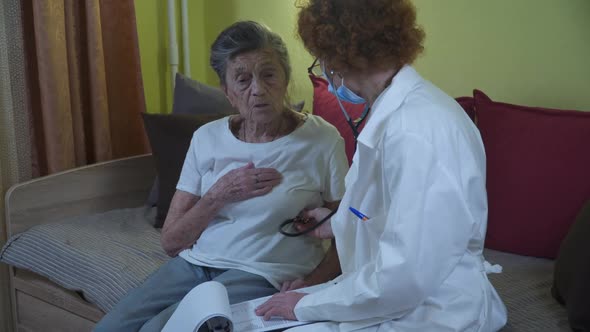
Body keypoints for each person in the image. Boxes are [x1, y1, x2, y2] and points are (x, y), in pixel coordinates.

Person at [254, 1, 508, 331]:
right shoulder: (399, 111)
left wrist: (308, 304)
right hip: (394, 297)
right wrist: (336, 220)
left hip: (431, 313)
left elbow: (406, 273)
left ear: (340, 55)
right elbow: (388, 211)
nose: (325, 72)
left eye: (321, 60)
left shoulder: (416, 130)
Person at [94, 21, 348, 332]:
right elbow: (171, 242)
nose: (257, 89)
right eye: (242, 79)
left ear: (285, 79)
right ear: (227, 92)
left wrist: (313, 282)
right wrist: (219, 194)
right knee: (109, 328)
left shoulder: (322, 140)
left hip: (263, 272)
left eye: (268, 74)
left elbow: (350, 230)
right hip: (195, 264)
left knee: (159, 330)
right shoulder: (207, 138)